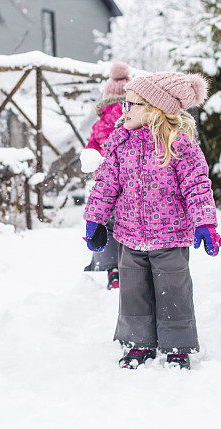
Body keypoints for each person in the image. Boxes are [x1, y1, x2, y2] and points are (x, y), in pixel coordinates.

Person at [83, 72, 221, 370]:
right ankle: (138, 343)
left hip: (171, 238)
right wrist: (94, 218)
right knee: (133, 293)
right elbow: (106, 183)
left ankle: (176, 347)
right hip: (130, 236)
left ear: (154, 108)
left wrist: (204, 223)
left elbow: (197, 185)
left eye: (131, 105)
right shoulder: (120, 142)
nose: (124, 110)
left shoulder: (179, 144)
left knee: (173, 290)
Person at [82, 61, 132, 289]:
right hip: (133, 182)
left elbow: (90, 152)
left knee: (108, 226)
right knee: (130, 225)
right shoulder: (135, 119)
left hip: (106, 183)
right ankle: (132, 268)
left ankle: (113, 271)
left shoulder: (100, 124)